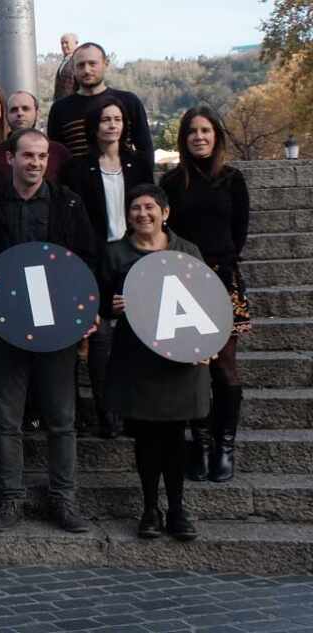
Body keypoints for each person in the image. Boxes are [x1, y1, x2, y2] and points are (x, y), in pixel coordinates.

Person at [0, 128, 99, 534]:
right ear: (10, 158)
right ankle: (10, 498)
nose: (36, 163)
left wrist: (88, 311)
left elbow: (88, 261)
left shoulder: (69, 204)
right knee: (6, 418)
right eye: (28, 155)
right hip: (6, 326)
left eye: (42, 156)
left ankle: (64, 499)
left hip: (57, 326)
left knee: (61, 419)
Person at [98, 184, 206, 541]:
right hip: (136, 358)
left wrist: (208, 342)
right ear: (127, 216)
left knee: (175, 436)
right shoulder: (114, 254)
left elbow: (206, 302)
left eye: (149, 207)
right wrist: (109, 308)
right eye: (135, 209)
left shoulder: (187, 250)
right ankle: (149, 508)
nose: (142, 214)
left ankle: (177, 509)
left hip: (179, 358)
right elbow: (98, 304)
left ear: (165, 212)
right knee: (145, 437)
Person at [162, 106, 251, 483]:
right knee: (191, 366)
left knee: (224, 366)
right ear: (183, 139)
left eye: (205, 130)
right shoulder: (171, 182)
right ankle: (197, 444)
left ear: (216, 136)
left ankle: (223, 446)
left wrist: (222, 267)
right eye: (192, 132)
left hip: (223, 277)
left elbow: (239, 232)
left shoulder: (233, 180)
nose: (199, 137)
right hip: (183, 282)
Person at [60, 95, 154, 439]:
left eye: (117, 119)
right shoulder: (77, 168)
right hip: (95, 257)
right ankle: (106, 413)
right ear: (94, 127)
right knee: (99, 337)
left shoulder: (139, 163)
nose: (112, 125)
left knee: (135, 334)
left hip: (134, 254)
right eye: (105, 120)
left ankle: (137, 409)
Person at [48, 43, 156, 177]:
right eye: (81, 65)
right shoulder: (60, 108)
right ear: (73, 69)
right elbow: (56, 155)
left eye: (92, 64)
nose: (87, 70)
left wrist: (145, 184)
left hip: (125, 183)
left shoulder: (128, 102)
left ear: (106, 63)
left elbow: (145, 148)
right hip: (78, 188)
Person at [0, 91, 73, 193]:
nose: (20, 113)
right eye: (14, 110)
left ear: (37, 113)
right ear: (6, 115)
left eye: (25, 109)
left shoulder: (59, 152)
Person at [54, 33, 80, 101]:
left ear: (76, 43)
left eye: (66, 43)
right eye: (62, 43)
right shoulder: (64, 61)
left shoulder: (79, 60)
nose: (64, 46)